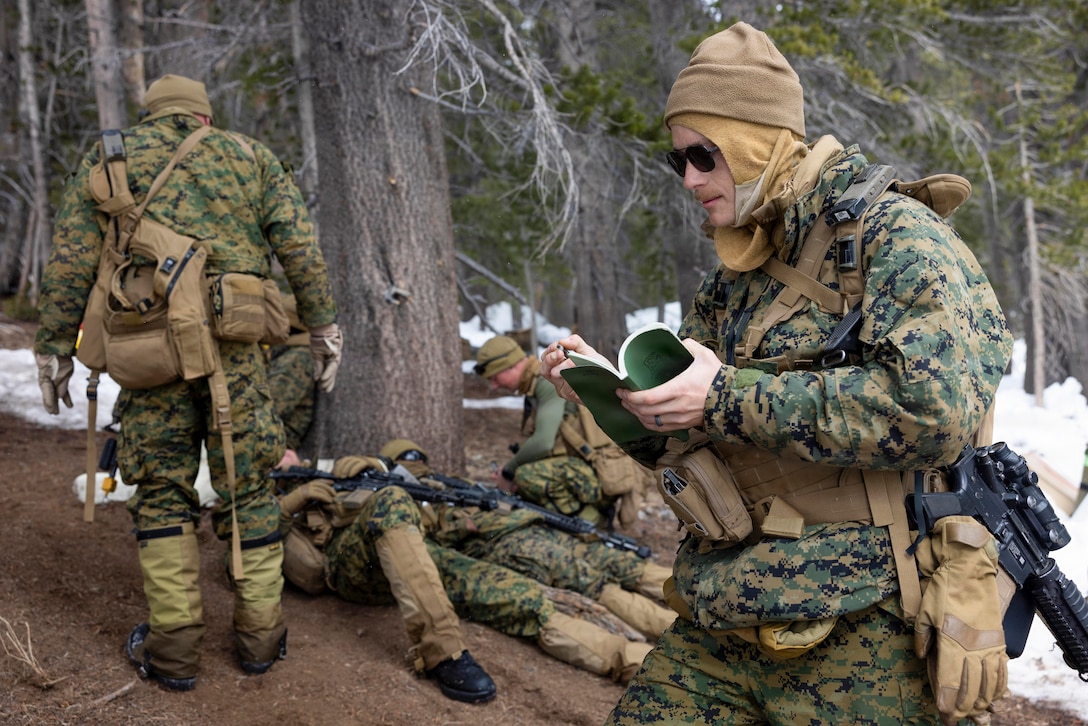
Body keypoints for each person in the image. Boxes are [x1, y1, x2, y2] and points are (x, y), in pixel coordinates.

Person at [541, 22, 1014, 726]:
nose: (692, 179)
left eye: (705, 155)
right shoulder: (735, 277)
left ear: (758, 141)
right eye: (679, 162)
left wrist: (726, 395)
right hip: (724, 608)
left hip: (861, 622)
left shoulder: (895, 239)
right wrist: (616, 400)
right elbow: (694, 437)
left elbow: (933, 413)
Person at [33, 74, 343, 691]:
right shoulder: (249, 156)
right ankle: (261, 640)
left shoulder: (112, 156)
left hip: (150, 351)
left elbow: (70, 257)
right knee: (249, 486)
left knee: (163, 493)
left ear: (150, 116)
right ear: (204, 118)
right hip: (238, 350)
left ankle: (173, 653)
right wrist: (324, 328)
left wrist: (53, 348)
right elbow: (300, 247)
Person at [278, 455, 654, 690]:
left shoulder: (349, 469)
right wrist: (290, 504)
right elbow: (247, 554)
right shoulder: (274, 489)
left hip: (412, 555)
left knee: (518, 596)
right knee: (392, 500)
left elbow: (441, 525)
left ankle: (644, 664)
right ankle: (443, 652)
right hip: (349, 564)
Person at [380, 438, 676, 642]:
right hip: (511, 545)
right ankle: (676, 631)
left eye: (418, 459)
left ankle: (698, 612)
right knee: (594, 581)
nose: (416, 464)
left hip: (533, 529)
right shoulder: (410, 499)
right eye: (410, 461)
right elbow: (428, 540)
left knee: (617, 562)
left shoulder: (450, 484)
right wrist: (466, 525)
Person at [474, 335, 652, 527]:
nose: (494, 385)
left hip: (600, 474)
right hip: (589, 471)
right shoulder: (535, 386)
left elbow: (543, 442)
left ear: (511, 365)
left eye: (494, 377)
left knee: (526, 476)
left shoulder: (546, 383)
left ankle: (592, 524)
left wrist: (508, 472)